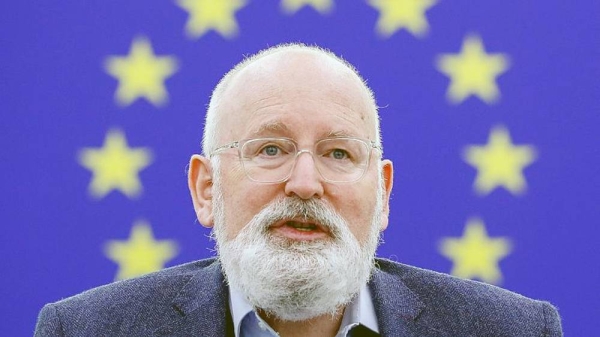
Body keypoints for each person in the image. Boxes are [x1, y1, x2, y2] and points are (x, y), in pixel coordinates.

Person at [34, 43, 563, 337]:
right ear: (206, 188)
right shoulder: (84, 331)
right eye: (270, 150)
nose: (306, 184)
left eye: (338, 154)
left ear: (382, 194)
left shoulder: (514, 330)